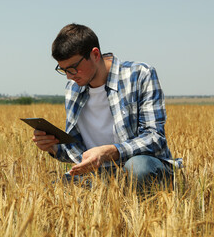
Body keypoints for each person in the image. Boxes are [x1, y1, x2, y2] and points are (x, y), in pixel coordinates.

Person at [32, 23, 182, 188]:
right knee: (54, 189)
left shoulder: (140, 75)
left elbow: (155, 138)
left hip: (144, 166)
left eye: (73, 68)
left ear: (95, 54)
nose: (69, 76)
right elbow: (80, 153)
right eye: (63, 70)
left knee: (137, 168)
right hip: (102, 173)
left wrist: (111, 151)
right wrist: (53, 147)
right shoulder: (72, 89)